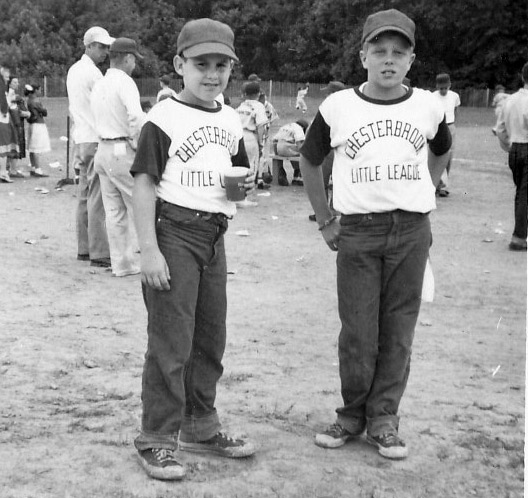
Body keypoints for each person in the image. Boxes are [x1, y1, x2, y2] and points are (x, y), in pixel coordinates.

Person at [300, 8, 451, 460]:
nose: (389, 60)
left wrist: (423, 191)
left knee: (398, 330)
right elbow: (310, 161)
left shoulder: (428, 104)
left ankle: (384, 418)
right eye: (379, 51)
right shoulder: (338, 106)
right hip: (358, 231)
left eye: (398, 53)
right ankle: (351, 414)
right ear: (363, 55)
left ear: (411, 59)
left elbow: (442, 150)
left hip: (410, 229)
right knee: (359, 331)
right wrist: (326, 219)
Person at [131, 17, 256, 481]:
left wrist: (243, 185)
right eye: (201, 63)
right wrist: (149, 251)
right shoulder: (163, 117)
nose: (212, 74)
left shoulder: (229, 118)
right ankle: (157, 438)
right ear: (179, 64)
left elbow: (238, 173)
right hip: (173, 232)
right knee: (171, 339)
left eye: (222, 65)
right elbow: (143, 184)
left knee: (209, 335)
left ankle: (200, 424)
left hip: (214, 235)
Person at [91, 38, 147, 277]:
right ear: (127, 58)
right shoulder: (125, 82)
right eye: (134, 59)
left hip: (102, 149)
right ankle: (149, 259)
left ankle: (122, 264)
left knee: (114, 212)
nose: (134, 64)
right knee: (142, 206)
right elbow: (136, 116)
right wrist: (137, 143)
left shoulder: (100, 83)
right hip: (122, 148)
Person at [67, 26, 114, 267]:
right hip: (95, 137)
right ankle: (99, 252)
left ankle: (84, 248)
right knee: (97, 196)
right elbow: (103, 107)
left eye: (107, 47)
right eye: (101, 46)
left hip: (81, 137)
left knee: (85, 195)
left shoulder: (74, 70)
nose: (105, 51)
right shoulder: (94, 75)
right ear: (88, 46)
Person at [496, 62, 528, 252]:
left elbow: (500, 128)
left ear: (522, 77)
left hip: (515, 148)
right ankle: (519, 236)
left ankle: (520, 233)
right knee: (525, 194)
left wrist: (510, 145)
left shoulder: (510, 100)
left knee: (520, 192)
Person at [308, 81, 346, 221]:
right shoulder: (331, 106)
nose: (326, 95)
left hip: (333, 147)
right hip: (329, 147)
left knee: (330, 179)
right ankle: (326, 210)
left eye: (329, 93)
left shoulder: (339, 107)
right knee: (326, 179)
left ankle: (331, 209)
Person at [236, 80, 268, 198]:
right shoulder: (258, 105)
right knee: (251, 166)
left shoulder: (242, 105)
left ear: (245, 93)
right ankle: (245, 196)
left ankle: (237, 192)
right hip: (250, 136)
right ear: (258, 93)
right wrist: (260, 143)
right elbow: (260, 126)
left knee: (239, 165)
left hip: (239, 135)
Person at [432, 73, 460, 197]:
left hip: (450, 126)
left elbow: (455, 111)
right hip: (437, 127)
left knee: (448, 157)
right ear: (437, 86)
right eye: (441, 88)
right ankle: (437, 184)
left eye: (445, 88)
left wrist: (452, 125)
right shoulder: (432, 97)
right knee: (437, 155)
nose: (443, 90)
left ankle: (444, 184)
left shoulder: (454, 96)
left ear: (449, 85)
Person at [6, 75, 31, 178]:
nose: (17, 84)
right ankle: (13, 170)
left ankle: (8, 168)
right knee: (13, 145)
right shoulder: (11, 95)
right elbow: (13, 109)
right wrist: (26, 114)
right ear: (10, 83)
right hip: (12, 123)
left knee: (8, 145)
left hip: (11, 122)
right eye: (15, 82)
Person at [272, 119, 309, 186]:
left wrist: (276, 154)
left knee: (294, 153)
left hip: (279, 147)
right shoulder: (299, 128)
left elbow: (274, 141)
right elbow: (299, 143)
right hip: (287, 148)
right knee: (303, 152)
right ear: (303, 128)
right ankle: (298, 175)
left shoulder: (285, 126)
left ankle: (281, 171)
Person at [25, 83, 51, 178]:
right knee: (37, 147)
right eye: (39, 89)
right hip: (38, 124)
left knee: (32, 147)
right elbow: (44, 112)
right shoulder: (36, 101)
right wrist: (43, 110)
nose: (40, 91)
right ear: (35, 90)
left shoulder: (29, 100)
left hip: (32, 124)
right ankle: (38, 169)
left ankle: (33, 167)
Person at [0, 63, 19, 183]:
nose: (8, 76)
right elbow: (3, 104)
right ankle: (3, 172)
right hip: (2, 119)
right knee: (3, 147)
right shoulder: (1, 86)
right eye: (6, 73)